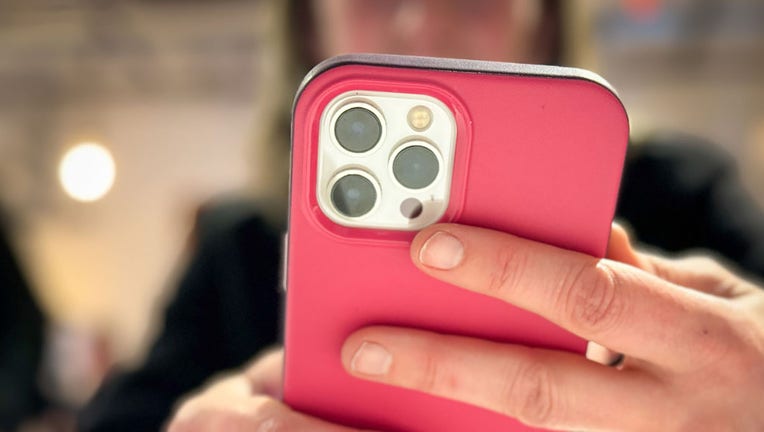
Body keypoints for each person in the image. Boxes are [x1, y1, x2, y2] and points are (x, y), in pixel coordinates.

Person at [79, 1, 764, 431]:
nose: (423, 21)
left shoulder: (681, 193)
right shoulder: (240, 246)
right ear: (308, 23)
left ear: (546, 17)